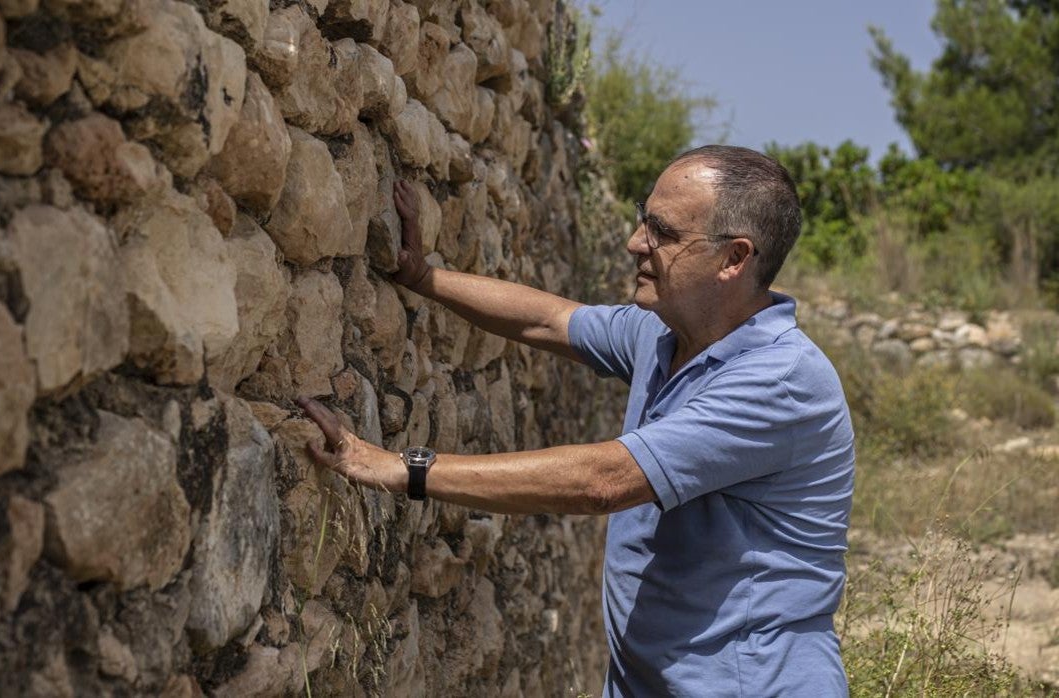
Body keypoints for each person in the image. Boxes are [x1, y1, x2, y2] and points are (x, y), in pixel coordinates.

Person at [297, 145, 855, 696]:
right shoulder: (662, 334)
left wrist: (402, 469)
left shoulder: (780, 379)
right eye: (643, 218)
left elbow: (603, 482)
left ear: (734, 258)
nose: (635, 241)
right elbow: (551, 320)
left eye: (663, 232)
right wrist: (423, 277)